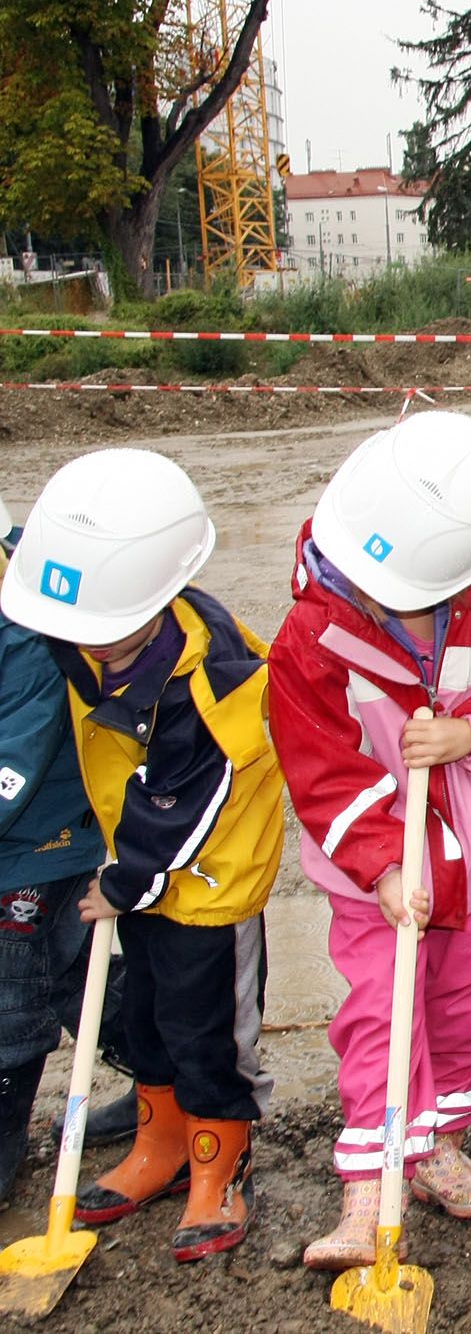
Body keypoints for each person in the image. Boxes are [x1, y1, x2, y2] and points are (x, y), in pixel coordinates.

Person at [266, 413, 471, 1270]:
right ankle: (371, 1178)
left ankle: (436, 1145)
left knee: (468, 1007)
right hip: (381, 881)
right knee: (382, 1015)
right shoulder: (311, 642)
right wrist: (387, 865)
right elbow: (321, 773)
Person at [0, 449, 283, 1263]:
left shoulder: (214, 680)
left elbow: (182, 809)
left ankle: (218, 1162)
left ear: (157, 597)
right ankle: (159, 1145)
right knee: (148, 1015)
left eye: (99, 638)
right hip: (144, 872)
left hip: (207, 880)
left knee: (207, 1031)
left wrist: (125, 881)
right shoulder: (91, 629)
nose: (81, 651)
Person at [0, 495, 100, 1204]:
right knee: (68, 976)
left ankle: (5, 1139)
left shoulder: (27, 626)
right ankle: (161, 1064)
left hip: (44, 841)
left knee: (15, 991)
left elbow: (16, 758)